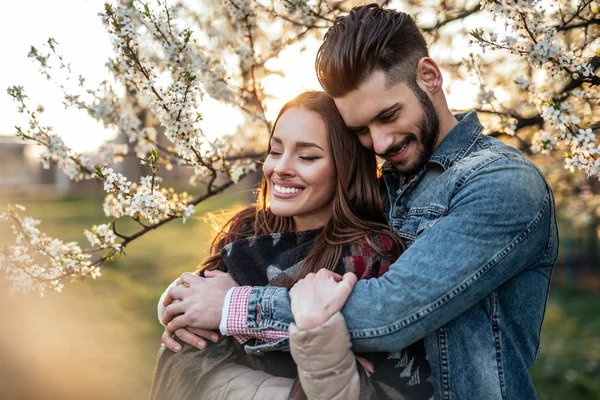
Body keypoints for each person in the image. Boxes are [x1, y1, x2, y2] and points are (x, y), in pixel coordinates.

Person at [160, 4, 559, 399]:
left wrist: (233, 306)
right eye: (361, 130)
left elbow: (390, 312)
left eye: (389, 115)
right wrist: (187, 300)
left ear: (429, 76)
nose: (381, 143)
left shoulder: (501, 184)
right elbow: (308, 246)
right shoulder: (387, 184)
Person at [151, 91, 433, 400]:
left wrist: (235, 312)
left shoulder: (371, 257)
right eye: (275, 151)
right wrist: (179, 309)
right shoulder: (244, 233)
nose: (280, 168)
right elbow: (190, 339)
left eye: (308, 156)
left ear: (346, 167)